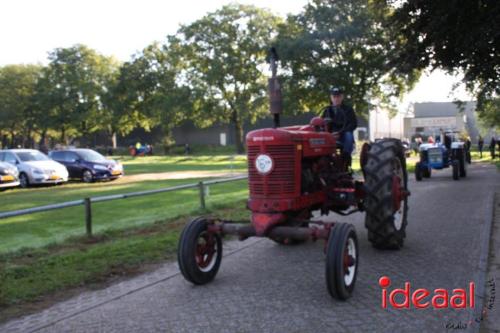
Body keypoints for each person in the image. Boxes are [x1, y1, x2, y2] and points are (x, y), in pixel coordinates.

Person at [321, 87, 357, 167]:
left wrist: (340, 132)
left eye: (338, 96)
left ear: (342, 97)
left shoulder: (348, 109)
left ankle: (345, 158)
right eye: (334, 97)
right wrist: (329, 134)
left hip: (343, 135)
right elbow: (321, 124)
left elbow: (353, 124)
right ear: (331, 98)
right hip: (329, 136)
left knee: (349, 135)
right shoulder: (327, 110)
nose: (336, 99)